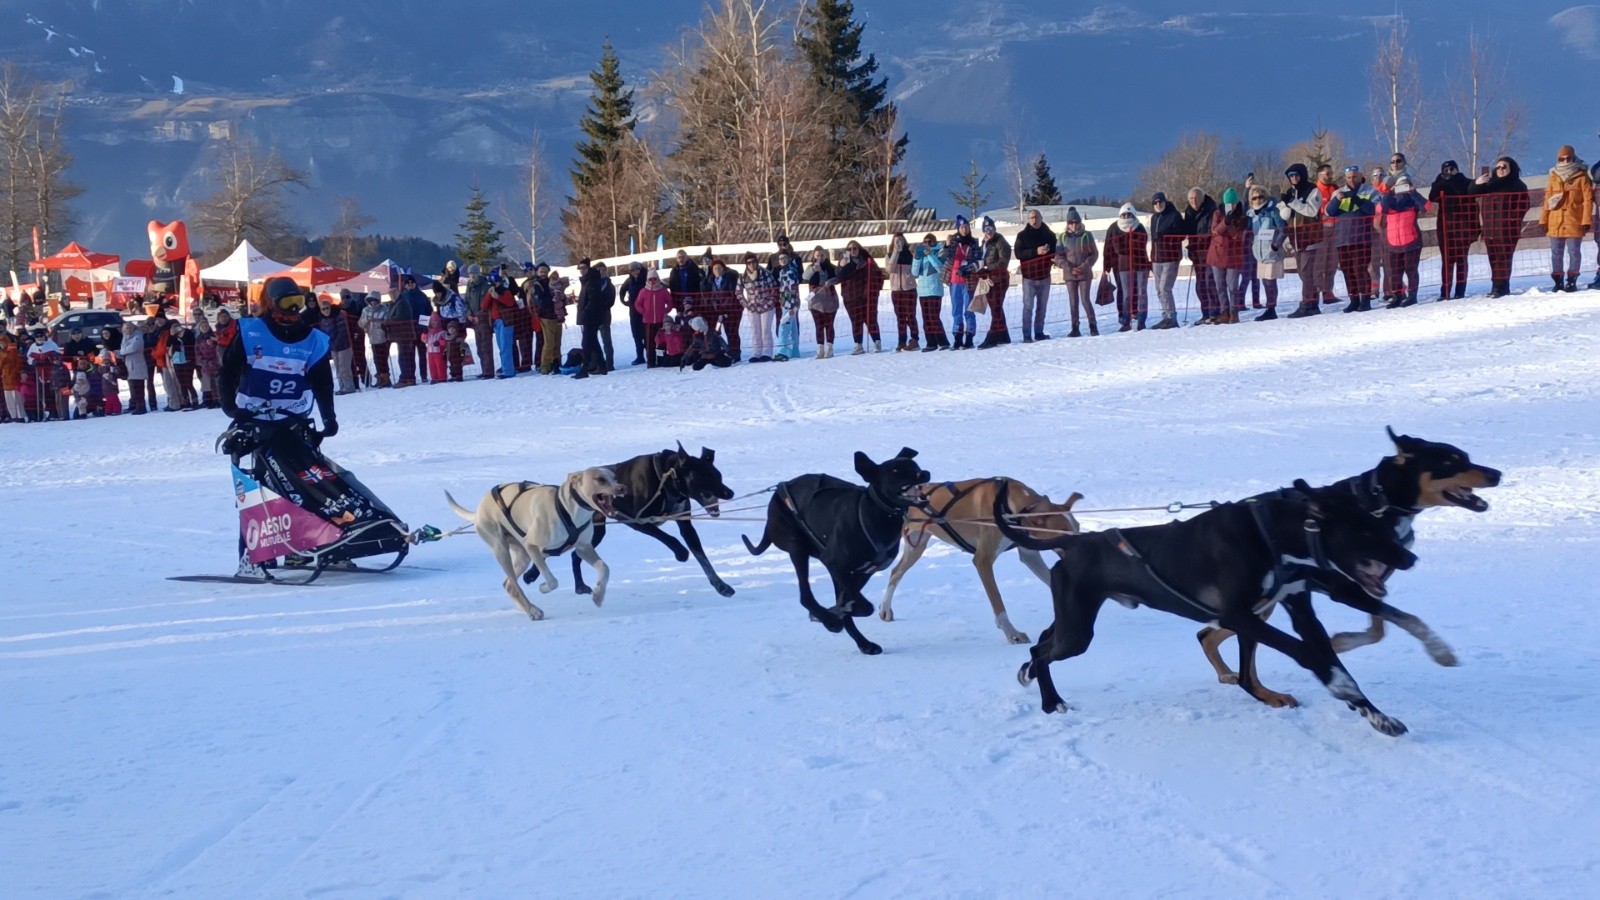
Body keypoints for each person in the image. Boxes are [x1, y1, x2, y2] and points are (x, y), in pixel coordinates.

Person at [217, 277, 338, 579]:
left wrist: (329, 416)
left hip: (294, 420)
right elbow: (228, 371)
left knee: (306, 483)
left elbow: (323, 381)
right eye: (287, 304)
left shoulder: (313, 339)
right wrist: (230, 407)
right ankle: (254, 556)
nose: (294, 310)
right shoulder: (251, 331)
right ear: (271, 305)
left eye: (298, 303)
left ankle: (305, 547)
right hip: (255, 421)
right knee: (257, 488)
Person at [1471, 156, 1531, 298]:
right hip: (1490, 228)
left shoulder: (1517, 185)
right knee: (1493, 258)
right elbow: (1471, 192)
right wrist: (1477, 183)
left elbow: (1524, 205)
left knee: (1503, 258)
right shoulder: (1489, 184)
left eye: (1504, 167)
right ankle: (1495, 286)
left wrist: (1511, 219)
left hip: (1507, 229)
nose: (1501, 170)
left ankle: (1502, 287)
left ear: (1511, 168)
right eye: (1498, 167)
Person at [1538, 144, 1594, 293]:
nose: (1565, 161)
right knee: (1556, 252)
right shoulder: (1553, 176)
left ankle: (1572, 280)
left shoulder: (1582, 176)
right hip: (1555, 221)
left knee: (1574, 252)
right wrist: (1543, 219)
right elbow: (1547, 198)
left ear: (1573, 157)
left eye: (1568, 158)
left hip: (1574, 220)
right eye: (1561, 159)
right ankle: (1558, 281)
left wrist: (1586, 221)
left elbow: (1587, 200)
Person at [1325, 166, 1378, 313]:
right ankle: (1354, 300)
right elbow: (1329, 211)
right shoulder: (1338, 192)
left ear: (1360, 176)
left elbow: (1374, 209)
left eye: (1354, 177)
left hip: (1361, 238)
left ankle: (1366, 299)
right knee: (1348, 271)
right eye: (1348, 177)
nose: (1351, 180)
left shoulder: (1369, 191)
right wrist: (1336, 200)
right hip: (1342, 239)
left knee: (1360, 269)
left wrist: (1358, 200)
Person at [1280, 163, 1328, 317]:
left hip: (1310, 237)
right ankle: (1313, 303)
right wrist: (1283, 208)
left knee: (1306, 272)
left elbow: (1311, 210)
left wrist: (1292, 202)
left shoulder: (1312, 190)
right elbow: (1288, 214)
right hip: (1296, 239)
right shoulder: (1290, 192)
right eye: (1291, 176)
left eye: (1296, 175)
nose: (1293, 178)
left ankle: (1306, 304)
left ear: (1302, 175)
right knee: (1303, 272)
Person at [1429, 160, 1479, 300]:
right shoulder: (1439, 183)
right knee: (1447, 260)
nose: (1449, 172)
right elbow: (1432, 196)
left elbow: (1470, 191)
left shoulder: (1465, 181)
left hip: (1463, 225)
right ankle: (1444, 292)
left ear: (1457, 169)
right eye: (1446, 170)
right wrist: (1440, 181)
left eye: (1451, 169)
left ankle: (1460, 291)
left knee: (1461, 259)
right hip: (1445, 227)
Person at [1376, 174, 1427, 308]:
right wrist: (1389, 192)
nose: (1403, 188)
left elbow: (1427, 207)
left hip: (1411, 241)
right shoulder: (1390, 200)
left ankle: (1412, 296)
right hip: (1392, 243)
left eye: (1406, 184)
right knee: (1394, 272)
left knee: (1411, 270)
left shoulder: (1413, 200)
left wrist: (1414, 193)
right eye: (1401, 185)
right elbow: (1380, 209)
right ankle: (1397, 296)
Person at [1103, 204, 1151, 331]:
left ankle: (1141, 319)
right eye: (1124, 215)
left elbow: (1142, 244)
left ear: (1133, 215)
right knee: (1125, 293)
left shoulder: (1139, 227)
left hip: (1140, 263)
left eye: (1129, 215)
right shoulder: (1114, 228)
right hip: (1122, 265)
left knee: (1141, 292)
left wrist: (1129, 247)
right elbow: (1109, 247)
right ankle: (1125, 319)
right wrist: (1106, 265)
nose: (1126, 217)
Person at [1012, 208, 1057, 341]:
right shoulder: (1022, 236)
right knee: (1028, 307)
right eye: (1032, 217)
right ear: (1028, 220)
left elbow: (1054, 252)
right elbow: (1019, 253)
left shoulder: (1049, 234)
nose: (1034, 220)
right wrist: (1035, 251)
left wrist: (1048, 252)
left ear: (1041, 218)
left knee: (1042, 307)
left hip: (1044, 275)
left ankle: (1039, 332)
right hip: (1029, 277)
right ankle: (1026, 334)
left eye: (1037, 217)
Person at [1206, 188, 1249, 324]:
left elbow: (1237, 235)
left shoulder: (1242, 216)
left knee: (1233, 286)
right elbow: (1215, 231)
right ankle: (1224, 311)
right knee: (1220, 286)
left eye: (1233, 203)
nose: (1231, 206)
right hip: (1217, 255)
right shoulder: (1217, 213)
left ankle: (1234, 312)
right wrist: (1226, 221)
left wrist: (1231, 224)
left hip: (1233, 255)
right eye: (1228, 203)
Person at [1055, 207, 1099, 336]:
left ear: (1080, 222)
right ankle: (1075, 327)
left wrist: (1084, 266)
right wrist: (1069, 268)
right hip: (1070, 274)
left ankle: (1093, 325)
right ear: (1067, 224)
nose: (1074, 225)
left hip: (1084, 273)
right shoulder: (1062, 238)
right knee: (1073, 301)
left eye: (1076, 222)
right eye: (1071, 223)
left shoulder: (1087, 235)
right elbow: (1058, 257)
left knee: (1085, 299)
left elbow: (1094, 254)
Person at [1246, 184, 1287, 321]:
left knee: (1270, 281)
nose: (1257, 200)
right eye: (1254, 198)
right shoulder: (1251, 214)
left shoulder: (1273, 212)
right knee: (1265, 281)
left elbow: (1283, 230)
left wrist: (1275, 245)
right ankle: (1270, 308)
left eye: (1260, 197)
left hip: (1272, 253)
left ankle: (1271, 309)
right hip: (1259, 254)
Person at [836, 240, 883, 354]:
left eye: (855, 248)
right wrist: (844, 263)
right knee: (856, 320)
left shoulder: (867, 260)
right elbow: (840, 276)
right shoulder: (845, 261)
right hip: (851, 295)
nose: (852, 251)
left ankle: (877, 341)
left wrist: (873, 289)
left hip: (867, 295)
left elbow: (877, 274)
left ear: (859, 249)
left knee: (870, 319)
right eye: (850, 249)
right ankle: (858, 344)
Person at [973, 217, 1013, 348]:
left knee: (996, 307)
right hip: (989, 279)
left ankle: (992, 337)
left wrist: (987, 268)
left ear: (994, 229)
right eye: (986, 229)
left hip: (999, 278)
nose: (988, 231)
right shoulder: (985, 243)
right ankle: (1003, 335)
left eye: (990, 228)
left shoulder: (1000, 242)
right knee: (996, 307)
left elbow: (1003, 261)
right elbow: (982, 258)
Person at [943, 216, 981, 349]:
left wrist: (967, 268)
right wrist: (946, 245)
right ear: (958, 229)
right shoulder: (953, 242)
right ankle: (957, 338)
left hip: (968, 281)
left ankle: (969, 337)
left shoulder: (973, 243)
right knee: (956, 310)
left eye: (966, 227)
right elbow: (944, 257)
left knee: (969, 309)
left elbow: (978, 260)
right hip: (954, 281)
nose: (964, 229)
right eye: (962, 227)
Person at [1146, 192, 1183, 329]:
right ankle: (1165, 315)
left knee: (1165, 288)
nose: (1158, 205)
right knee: (1158, 289)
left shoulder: (1174, 215)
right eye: (1155, 203)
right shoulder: (1154, 218)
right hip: (1157, 257)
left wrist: (1166, 238)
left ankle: (1172, 316)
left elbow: (1182, 234)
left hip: (1170, 257)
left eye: (1160, 202)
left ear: (1165, 202)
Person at [1181, 188, 1219, 320]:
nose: (1194, 201)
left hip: (1210, 251)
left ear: (1202, 198)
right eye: (1191, 199)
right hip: (1196, 253)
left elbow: (1212, 230)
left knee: (1210, 282)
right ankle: (1206, 313)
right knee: (1200, 285)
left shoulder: (1211, 210)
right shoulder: (1188, 212)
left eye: (1196, 198)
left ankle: (1215, 312)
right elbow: (1187, 231)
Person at [912, 234, 950, 350]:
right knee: (926, 318)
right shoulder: (920, 254)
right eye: (925, 241)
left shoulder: (940, 252)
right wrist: (916, 258)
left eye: (930, 241)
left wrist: (930, 255)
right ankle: (931, 343)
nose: (927, 244)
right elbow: (914, 273)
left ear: (934, 242)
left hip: (934, 290)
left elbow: (940, 268)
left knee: (934, 317)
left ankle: (943, 342)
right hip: (923, 291)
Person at [739, 252, 779, 362]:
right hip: (752, 308)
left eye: (753, 262)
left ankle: (767, 352)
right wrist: (746, 304)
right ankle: (756, 353)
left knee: (765, 329)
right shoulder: (743, 277)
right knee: (755, 330)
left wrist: (770, 302)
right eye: (749, 263)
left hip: (766, 306)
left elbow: (774, 289)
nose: (751, 264)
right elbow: (738, 291)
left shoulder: (765, 274)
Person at [701, 259, 742, 361]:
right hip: (719, 312)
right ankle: (721, 352)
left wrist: (724, 309)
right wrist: (718, 309)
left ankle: (735, 353)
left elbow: (731, 295)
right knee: (717, 331)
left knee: (732, 332)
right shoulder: (712, 281)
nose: (717, 270)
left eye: (719, 268)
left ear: (723, 269)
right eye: (715, 268)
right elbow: (712, 297)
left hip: (732, 311)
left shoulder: (729, 279)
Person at [885, 233, 919, 350]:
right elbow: (890, 269)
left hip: (909, 288)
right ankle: (901, 341)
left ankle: (915, 339)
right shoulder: (890, 255)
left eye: (900, 240)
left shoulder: (909, 254)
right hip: (896, 290)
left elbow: (916, 269)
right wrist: (895, 252)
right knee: (900, 317)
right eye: (896, 240)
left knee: (911, 316)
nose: (899, 242)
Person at [803, 248, 839, 359]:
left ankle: (829, 347)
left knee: (829, 324)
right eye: (817, 255)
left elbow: (838, 277)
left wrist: (831, 281)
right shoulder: (810, 267)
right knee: (818, 325)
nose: (820, 257)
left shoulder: (831, 267)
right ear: (814, 256)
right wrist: (814, 269)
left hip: (829, 300)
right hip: (815, 301)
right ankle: (820, 348)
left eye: (822, 255)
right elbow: (804, 277)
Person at [317, 296, 356, 394]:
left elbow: (342, 331)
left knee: (344, 368)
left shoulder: (337, 316)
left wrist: (335, 343)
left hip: (343, 345)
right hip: (333, 347)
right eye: (323, 309)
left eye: (327, 308)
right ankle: (342, 386)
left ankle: (349, 387)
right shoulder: (322, 320)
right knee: (338, 368)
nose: (326, 311)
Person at [388, 277, 422, 387]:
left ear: (398, 291)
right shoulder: (395, 303)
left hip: (405, 334)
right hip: (401, 335)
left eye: (393, 291)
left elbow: (398, 318)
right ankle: (406, 377)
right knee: (404, 356)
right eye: (389, 292)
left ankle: (407, 378)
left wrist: (389, 320)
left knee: (406, 357)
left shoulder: (402, 303)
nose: (391, 294)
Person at [636, 271, 674, 368]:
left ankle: (662, 360)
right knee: (649, 343)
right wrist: (643, 312)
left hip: (661, 321)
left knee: (661, 341)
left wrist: (665, 311)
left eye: (654, 279)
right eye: (650, 279)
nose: (652, 281)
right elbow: (637, 304)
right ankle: (651, 362)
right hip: (648, 321)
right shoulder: (644, 291)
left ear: (658, 279)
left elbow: (670, 303)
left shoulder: (663, 291)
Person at [485, 272, 520, 378]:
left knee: (506, 346)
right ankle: (506, 367)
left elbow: (510, 302)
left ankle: (508, 370)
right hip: (496, 322)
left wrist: (497, 297)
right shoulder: (491, 293)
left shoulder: (505, 291)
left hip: (506, 321)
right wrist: (489, 295)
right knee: (501, 347)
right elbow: (484, 305)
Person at [462, 264, 494, 379]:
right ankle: (484, 369)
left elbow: (487, 305)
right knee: (479, 347)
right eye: (471, 274)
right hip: (474, 320)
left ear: (478, 274)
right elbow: (466, 302)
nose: (472, 276)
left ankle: (489, 371)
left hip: (484, 320)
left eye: (474, 274)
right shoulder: (469, 286)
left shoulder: (485, 286)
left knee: (486, 347)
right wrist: (469, 313)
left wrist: (479, 316)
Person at [619, 261, 649, 365]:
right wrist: (624, 302)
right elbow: (622, 290)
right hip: (633, 311)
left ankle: (649, 354)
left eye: (637, 269)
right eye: (632, 270)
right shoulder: (629, 281)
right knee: (636, 334)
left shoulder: (647, 278)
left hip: (646, 310)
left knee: (647, 333)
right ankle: (640, 356)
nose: (635, 272)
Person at [774, 250, 802, 360]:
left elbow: (792, 289)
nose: (782, 261)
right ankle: (794, 351)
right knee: (793, 327)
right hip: (785, 302)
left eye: (784, 258)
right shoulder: (783, 270)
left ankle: (783, 351)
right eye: (780, 259)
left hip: (789, 303)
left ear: (788, 259)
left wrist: (791, 306)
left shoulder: (790, 271)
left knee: (784, 326)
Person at [359, 292, 391, 386]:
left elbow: (388, 321)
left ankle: (386, 379)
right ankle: (380, 379)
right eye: (371, 300)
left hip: (383, 337)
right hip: (372, 337)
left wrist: (378, 322)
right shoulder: (365, 310)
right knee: (376, 359)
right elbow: (360, 323)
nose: (373, 302)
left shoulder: (384, 309)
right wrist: (366, 321)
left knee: (383, 358)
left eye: (374, 300)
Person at [120, 322, 148, 414]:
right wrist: (123, 350)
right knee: (133, 388)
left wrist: (123, 351)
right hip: (129, 366)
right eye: (125, 328)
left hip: (137, 365)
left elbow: (132, 348)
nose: (127, 330)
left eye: (129, 328)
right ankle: (135, 405)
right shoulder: (125, 337)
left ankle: (141, 407)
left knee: (139, 387)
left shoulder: (138, 336)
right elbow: (123, 348)